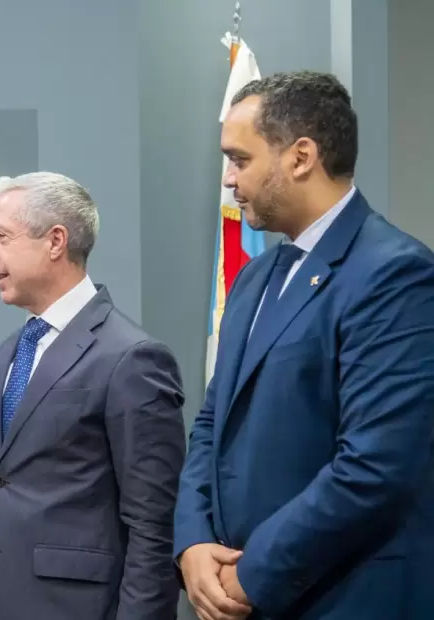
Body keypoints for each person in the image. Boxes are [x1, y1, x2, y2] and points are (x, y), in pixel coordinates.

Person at [174, 70, 434, 620]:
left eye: (240, 160)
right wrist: (193, 542)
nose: (228, 179)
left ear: (301, 157)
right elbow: (213, 423)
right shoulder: (255, 277)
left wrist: (252, 573)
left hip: (342, 598)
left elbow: (376, 465)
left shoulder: (395, 274)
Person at [0, 172, 187, 620]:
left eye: (1, 235)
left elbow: (153, 528)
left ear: (55, 241)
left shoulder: (132, 358)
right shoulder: (5, 357)